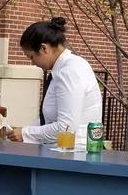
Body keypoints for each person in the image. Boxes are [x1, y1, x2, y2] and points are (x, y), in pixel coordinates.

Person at [8, 17, 102, 145]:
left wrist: (26, 133)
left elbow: (66, 128)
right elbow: (48, 120)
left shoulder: (69, 71)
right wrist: (22, 131)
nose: (32, 62)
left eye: (31, 57)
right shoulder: (64, 69)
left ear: (44, 48)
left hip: (71, 154)